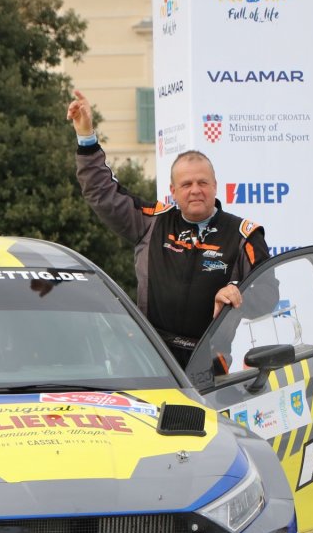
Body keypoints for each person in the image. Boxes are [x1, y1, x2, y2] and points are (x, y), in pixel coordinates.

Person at [68, 89, 269, 366]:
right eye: (186, 184)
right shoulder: (152, 222)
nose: (195, 190)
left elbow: (268, 294)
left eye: (202, 183)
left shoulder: (244, 235)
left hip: (209, 361)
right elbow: (102, 194)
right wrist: (86, 138)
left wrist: (238, 292)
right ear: (173, 191)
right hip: (150, 356)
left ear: (215, 186)